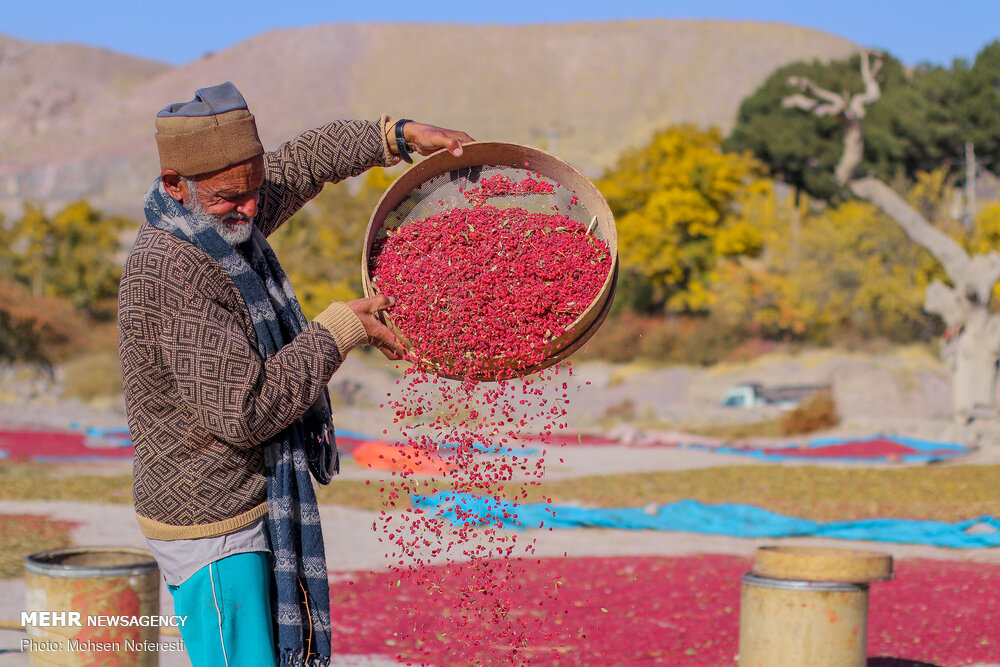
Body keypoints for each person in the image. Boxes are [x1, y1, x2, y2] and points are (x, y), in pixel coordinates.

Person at [117, 81, 472, 667]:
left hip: (248, 500)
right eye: (232, 197)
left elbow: (306, 161)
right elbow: (246, 410)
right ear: (175, 185)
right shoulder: (173, 269)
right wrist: (338, 331)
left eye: (256, 189)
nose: (252, 209)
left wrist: (399, 136)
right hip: (211, 526)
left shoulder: (223, 218)